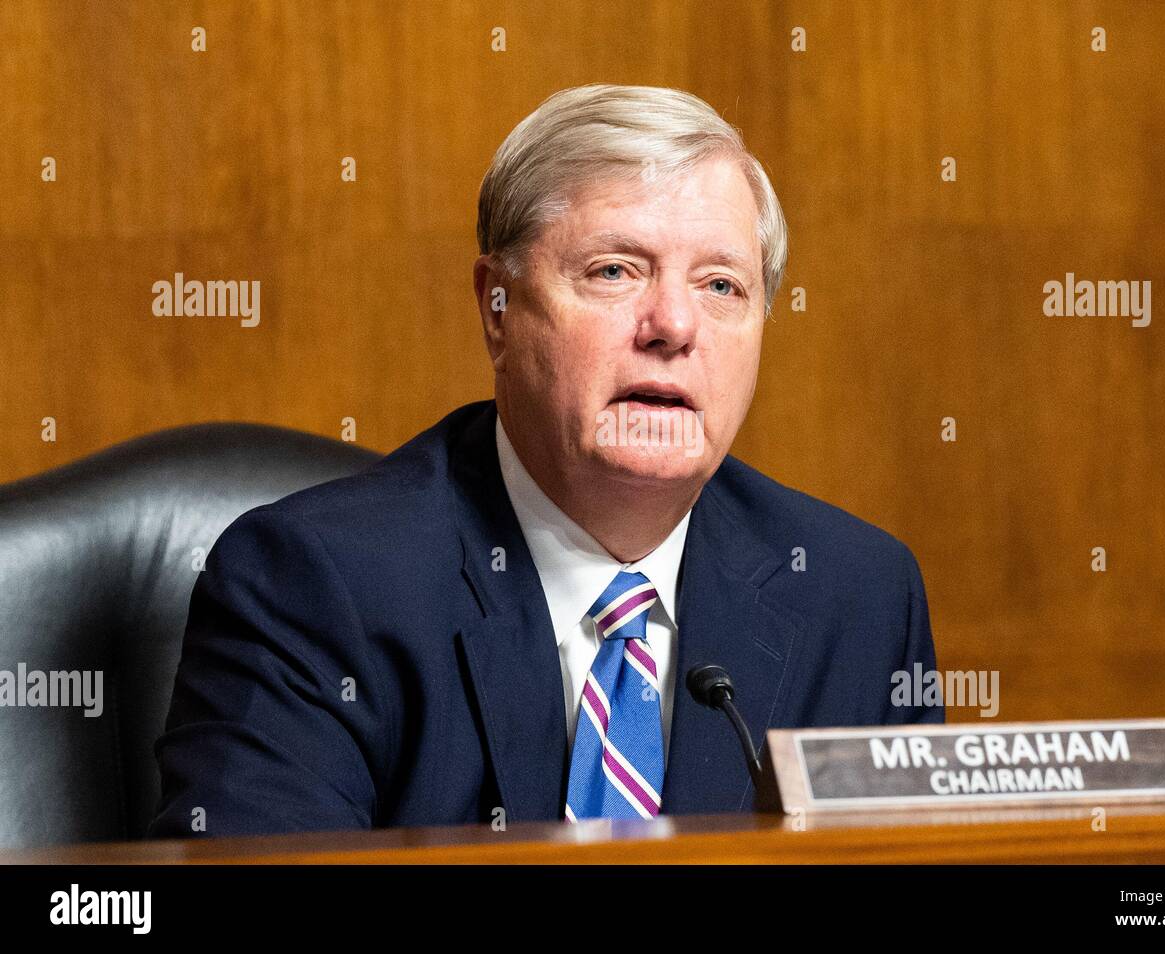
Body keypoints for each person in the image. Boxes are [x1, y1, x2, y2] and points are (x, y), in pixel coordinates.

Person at [148, 83, 942, 838]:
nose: (673, 324)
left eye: (722, 286)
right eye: (614, 272)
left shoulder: (858, 596)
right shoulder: (315, 586)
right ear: (497, 309)